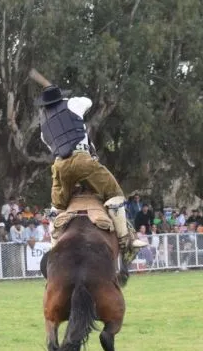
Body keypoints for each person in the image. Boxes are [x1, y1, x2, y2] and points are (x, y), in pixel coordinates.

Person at [35, 85, 146, 256]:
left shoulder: (43, 130)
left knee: (57, 208)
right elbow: (88, 102)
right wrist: (68, 102)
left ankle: (54, 247)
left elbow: (56, 142)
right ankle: (125, 240)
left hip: (60, 167)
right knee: (114, 194)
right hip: (82, 160)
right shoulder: (72, 104)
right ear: (60, 98)